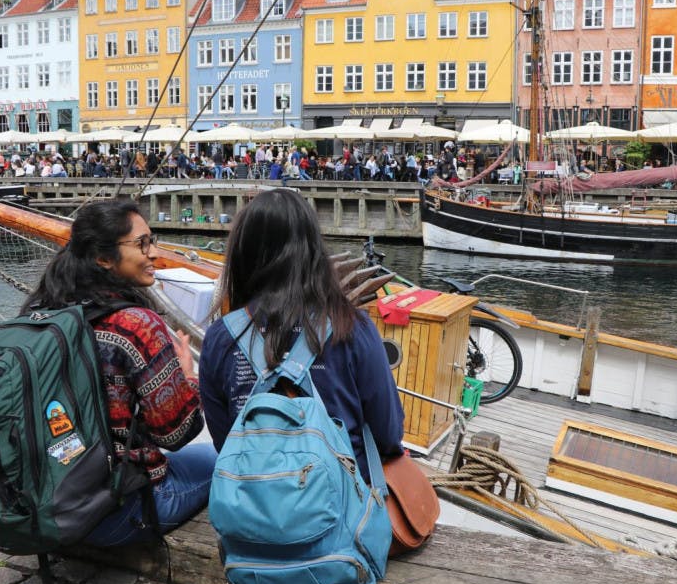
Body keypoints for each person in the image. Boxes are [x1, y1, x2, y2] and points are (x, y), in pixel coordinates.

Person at [21, 200, 214, 545]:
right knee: (220, 458)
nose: (154, 252)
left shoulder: (39, 310)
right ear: (104, 258)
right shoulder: (136, 325)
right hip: (120, 510)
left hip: (51, 505)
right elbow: (178, 434)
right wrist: (188, 377)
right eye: (142, 243)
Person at [199, 189, 404, 488]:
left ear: (242, 253)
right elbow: (388, 433)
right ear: (313, 251)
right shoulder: (352, 327)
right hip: (339, 516)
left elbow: (224, 443)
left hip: (250, 514)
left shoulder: (221, 337)